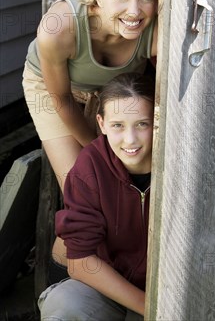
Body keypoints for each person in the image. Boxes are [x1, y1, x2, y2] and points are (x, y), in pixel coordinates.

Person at [22, 0, 159, 275]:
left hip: (111, 93)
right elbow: (61, 100)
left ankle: (129, 272)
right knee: (81, 184)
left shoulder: (155, 29)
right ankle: (66, 276)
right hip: (54, 90)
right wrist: (97, 153)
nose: (135, 11)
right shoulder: (60, 26)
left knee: (124, 178)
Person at [37, 72, 155, 320]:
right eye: (117, 125)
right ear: (101, 124)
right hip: (109, 287)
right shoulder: (90, 165)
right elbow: (80, 261)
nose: (130, 139)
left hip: (167, 288)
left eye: (142, 124)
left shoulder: (178, 164)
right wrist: (150, 309)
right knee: (63, 304)